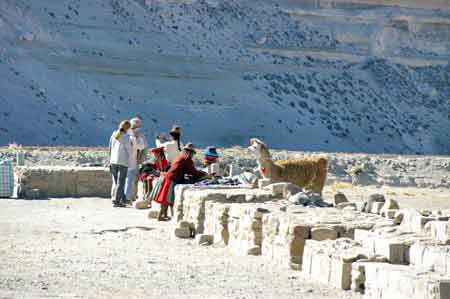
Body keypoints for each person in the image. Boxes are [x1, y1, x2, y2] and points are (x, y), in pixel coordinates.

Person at [149, 143, 206, 221]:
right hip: (171, 179)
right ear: (190, 152)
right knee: (166, 199)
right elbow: (192, 172)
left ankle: (163, 215)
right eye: (192, 153)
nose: (192, 155)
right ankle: (160, 216)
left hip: (166, 177)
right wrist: (202, 174)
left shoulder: (180, 157)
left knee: (165, 199)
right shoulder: (187, 159)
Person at [109, 120, 132, 207]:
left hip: (113, 161)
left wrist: (109, 160)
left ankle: (122, 199)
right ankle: (116, 201)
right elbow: (129, 150)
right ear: (127, 128)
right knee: (121, 182)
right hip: (123, 161)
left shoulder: (113, 135)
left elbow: (110, 148)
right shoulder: (126, 137)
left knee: (116, 182)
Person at [124, 117, 147, 202]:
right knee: (130, 180)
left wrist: (141, 160)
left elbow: (144, 149)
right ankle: (128, 197)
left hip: (134, 161)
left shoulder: (140, 136)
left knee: (133, 180)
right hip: (130, 161)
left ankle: (132, 197)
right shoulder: (129, 135)